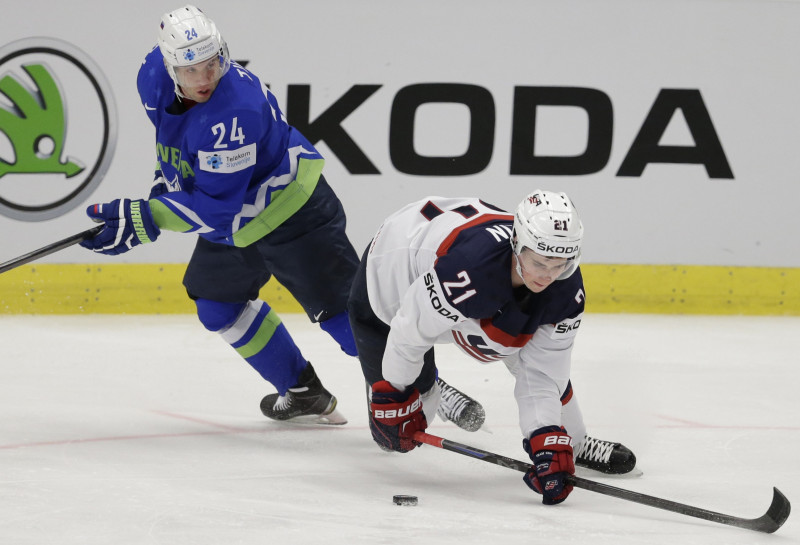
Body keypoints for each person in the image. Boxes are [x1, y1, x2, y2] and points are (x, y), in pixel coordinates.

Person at [80, 4, 480, 428]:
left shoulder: (235, 112)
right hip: (239, 219)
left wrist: (148, 217)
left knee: (346, 320)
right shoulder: (152, 76)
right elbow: (172, 147)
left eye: (213, 63)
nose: (205, 78)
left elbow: (216, 210)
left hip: (295, 215)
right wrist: (159, 192)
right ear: (169, 64)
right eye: (192, 68)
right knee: (218, 306)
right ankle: (303, 391)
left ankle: (427, 386)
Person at [347, 190, 637, 505]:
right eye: (540, 263)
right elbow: (410, 330)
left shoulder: (565, 290)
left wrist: (548, 436)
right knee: (393, 437)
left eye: (560, 265)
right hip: (396, 266)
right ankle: (430, 387)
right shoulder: (467, 271)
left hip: (466, 284)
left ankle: (576, 443)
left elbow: (542, 371)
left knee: (526, 358)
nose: (548, 276)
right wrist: (395, 389)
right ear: (516, 244)